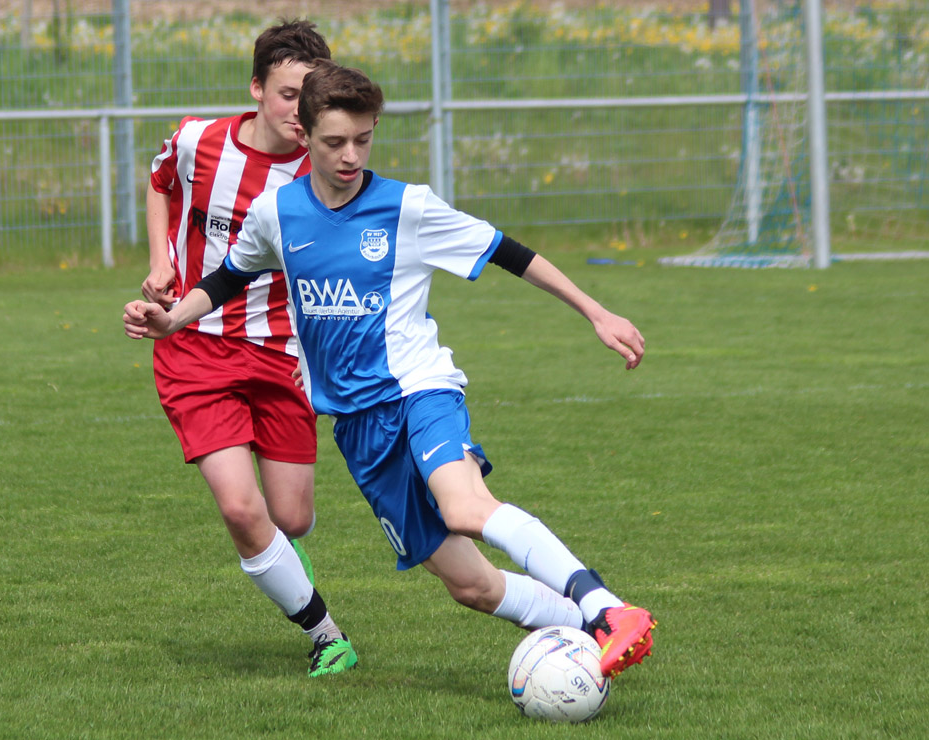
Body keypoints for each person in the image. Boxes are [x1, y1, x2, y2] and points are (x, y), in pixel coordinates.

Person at [126, 63, 655, 677]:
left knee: (463, 507)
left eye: (363, 139)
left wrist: (595, 311)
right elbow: (226, 277)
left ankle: (609, 609)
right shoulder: (278, 212)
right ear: (305, 134)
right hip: (356, 427)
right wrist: (173, 320)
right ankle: (586, 635)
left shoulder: (408, 207)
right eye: (334, 142)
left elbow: (506, 251)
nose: (350, 156)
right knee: (472, 586)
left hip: (418, 392)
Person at [139, 22, 356, 678]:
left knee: (289, 516)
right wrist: (162, 261)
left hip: (283, 353)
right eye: (291, 95)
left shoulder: (325, 169)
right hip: (195, 346)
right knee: (241, 507)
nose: (303, 111)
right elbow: (159, 183)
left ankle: (285, 562)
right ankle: (327, 634)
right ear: (257, 89)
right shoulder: (197, 139)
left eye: (313, 98)